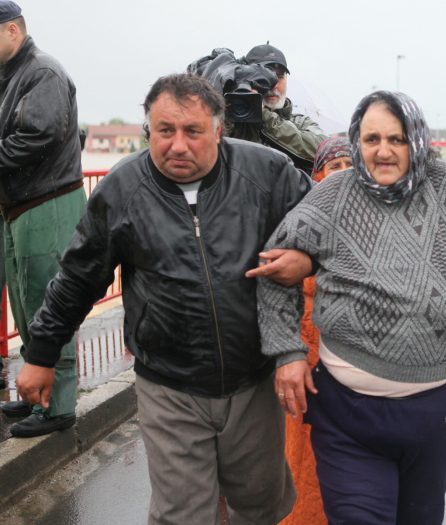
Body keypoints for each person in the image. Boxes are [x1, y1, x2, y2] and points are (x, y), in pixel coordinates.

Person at [16, 73, 312, 524]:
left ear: (217, 130)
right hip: (169, 382)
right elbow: (78, 277)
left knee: (259, 505)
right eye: (164, 131)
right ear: (147, 130)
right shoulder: (123, 188)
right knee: (181, 514)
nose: (177, 145)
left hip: (252, 379)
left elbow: (322, 226)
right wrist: (40, 353)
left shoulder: (266, 172)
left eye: (193, 131)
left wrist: (305, 259)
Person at [254, 91, 446, 525]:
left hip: (438, 409)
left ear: (417, 139)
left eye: (396, 139)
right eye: (371, 138)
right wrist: (288, 353)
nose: (383, 150)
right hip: (347, 414)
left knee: (421, 515)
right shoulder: (333, 193)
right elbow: (274, 266)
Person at [0, 2, 86, 437]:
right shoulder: (14, 74)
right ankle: (38, 393)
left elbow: (37, 136)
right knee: (24, 302)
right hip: (20, 205)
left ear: (12, 30)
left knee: (48, 302)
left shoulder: (42, 71)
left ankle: (59, 405)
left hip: (46, 203)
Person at [279, 136, 351, 525]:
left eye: (350, 167)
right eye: (334, 167)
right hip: (305, 357)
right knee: (304, 452)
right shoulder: (299, 221)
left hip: (351, 361)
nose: (342, 175)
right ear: (317, 175)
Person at [229, 44, 327, 172]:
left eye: (279, 77)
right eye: (263, 78)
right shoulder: (232, 122)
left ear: (287, 79)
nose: (273, 85)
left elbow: (322, 151)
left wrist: (264, 117)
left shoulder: (301, 123)